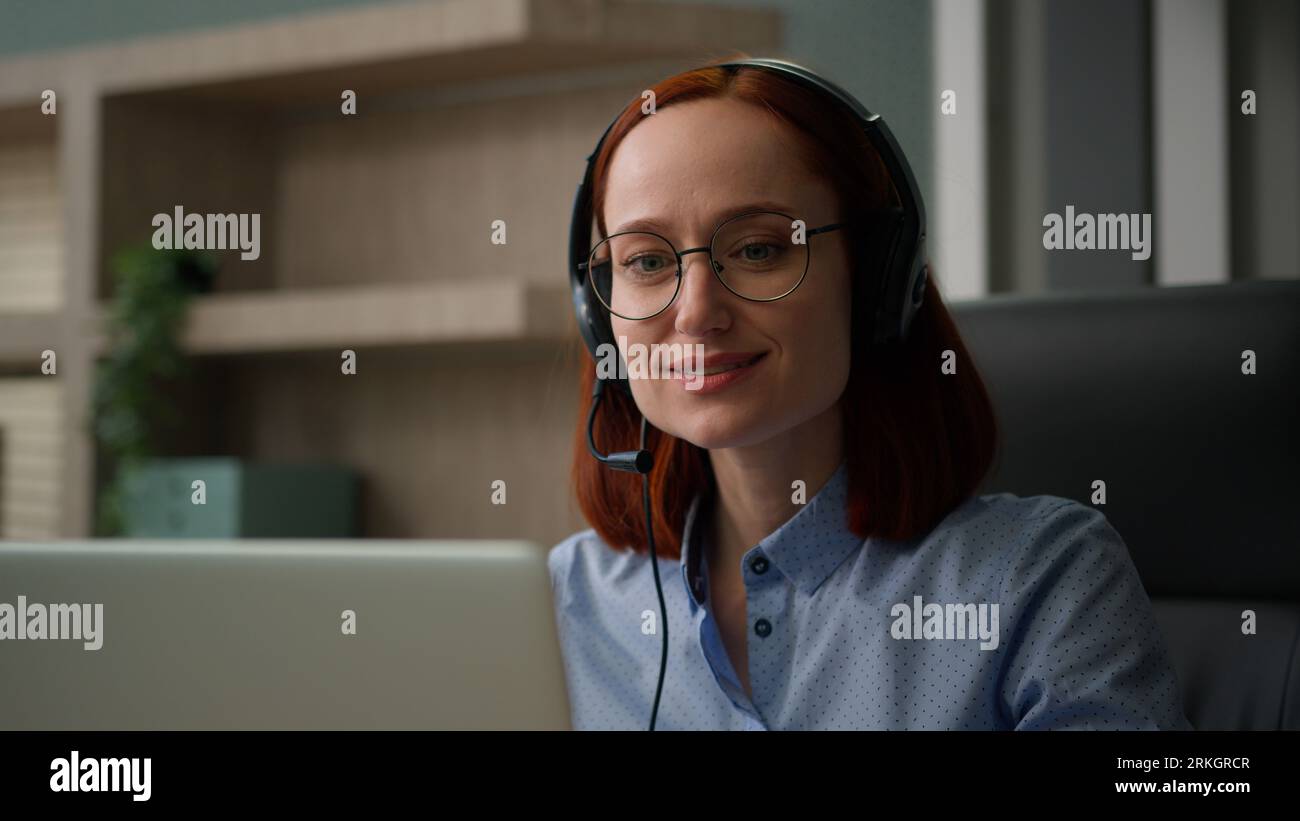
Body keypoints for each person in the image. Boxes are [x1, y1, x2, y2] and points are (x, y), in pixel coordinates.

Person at [548, 55, 1193, 731]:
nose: (697, 311)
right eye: (647, 261)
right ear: (601, 313)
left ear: (877, 280)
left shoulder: (1041, 577)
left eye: (760, 249)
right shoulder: (567, 601)